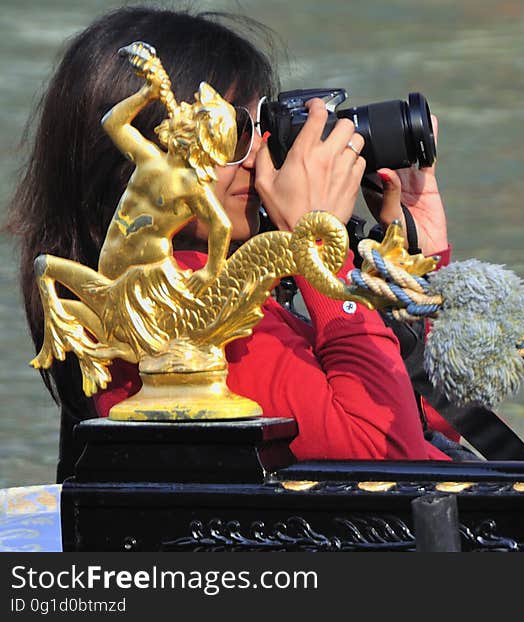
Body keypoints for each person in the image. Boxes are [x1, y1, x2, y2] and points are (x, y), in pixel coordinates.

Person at [5, 6, 466, 480]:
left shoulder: (224, 289)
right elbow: (389, 460)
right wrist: (316, 249)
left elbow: (421, 419)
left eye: (264, 126)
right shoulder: (189, 316)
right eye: (238, 133)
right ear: (138, 158)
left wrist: (415, 273)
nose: (260, 156)